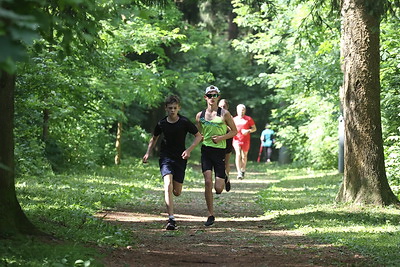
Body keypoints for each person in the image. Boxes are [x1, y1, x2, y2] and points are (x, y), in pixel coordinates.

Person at [143, 95, 202, 231]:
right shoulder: (162, 123)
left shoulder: (184, 122)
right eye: (170, 108)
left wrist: (189, 150)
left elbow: (199, 136)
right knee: (167, 184)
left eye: (175, 108)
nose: (172, 110)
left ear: (178, 108)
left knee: (177, 191)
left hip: (180, 158)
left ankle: (171, 214)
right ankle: (171, 219)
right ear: (166, 108)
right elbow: (154, 138)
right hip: (165, 157)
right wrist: (148, 152)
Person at [196, 85, 237, 226]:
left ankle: (224, 177)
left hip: (220, 151)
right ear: (205, 97)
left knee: (218, 189)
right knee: (207, 181)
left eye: (214, 95)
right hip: (206, 151)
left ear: (218, 97)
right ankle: (210, 214)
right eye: (209, 95)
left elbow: (234, 131)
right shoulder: (200, 116)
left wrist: (221, 138)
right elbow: (200, 133)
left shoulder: (224, 114)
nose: (212, 98)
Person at [233, 104, 256, 179]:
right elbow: (230, 129)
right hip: (236, 139)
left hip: (245, 140)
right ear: (237, 110)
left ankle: (243, 170)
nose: (241, 112)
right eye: (240, 110)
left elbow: (254, 128)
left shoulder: (248, 119)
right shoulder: (234, 119)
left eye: (243, 110)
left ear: (245, 111)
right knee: (238, 154)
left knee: (244, 156)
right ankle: (239, 172)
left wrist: (248, 130)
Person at [218, 99, 233, 191]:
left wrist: (225, 126)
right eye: (221, 106)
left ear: (227, 107)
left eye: (224, 106)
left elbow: (233, 130)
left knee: (226, 161)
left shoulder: (229, 116)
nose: (222, 108)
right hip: (217, 141)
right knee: (219, 161)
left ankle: (226, 178)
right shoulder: (213, 115)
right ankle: (220, 178)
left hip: (227, 140)